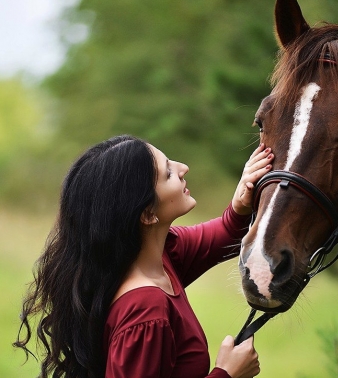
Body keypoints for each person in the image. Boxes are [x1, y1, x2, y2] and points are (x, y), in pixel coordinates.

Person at [14, 135, 274, 378]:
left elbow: (226, 232)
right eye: (169, 173)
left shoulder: (158, 255)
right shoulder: (145, 311)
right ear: (147, 214)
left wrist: (241, 204)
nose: (183, 168)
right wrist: (226, 373)